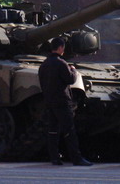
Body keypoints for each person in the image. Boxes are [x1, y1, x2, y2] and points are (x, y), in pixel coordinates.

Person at [37, 37, 92, 167]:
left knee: (53, 130)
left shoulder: (43, 65)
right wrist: (73, 69)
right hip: (62, 101)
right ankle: (76, 158)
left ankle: (55, 158)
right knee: (69, 130)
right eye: (63, 47)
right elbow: (71, 79)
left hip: (50, 101)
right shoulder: (61, 63)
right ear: (61, 48)